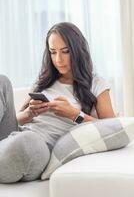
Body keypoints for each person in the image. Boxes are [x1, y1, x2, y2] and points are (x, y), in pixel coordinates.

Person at [0, 22, 115, 183]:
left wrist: (75, 114)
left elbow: (112, 129)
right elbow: (12, 120)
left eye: (65, 51)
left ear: (78, 50)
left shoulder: (96, 84)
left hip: (39, 146)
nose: (58, 59)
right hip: (15, 135)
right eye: (53, 52)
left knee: (27, 140)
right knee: (2, 81)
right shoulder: (43, 81)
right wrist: (29, 113)